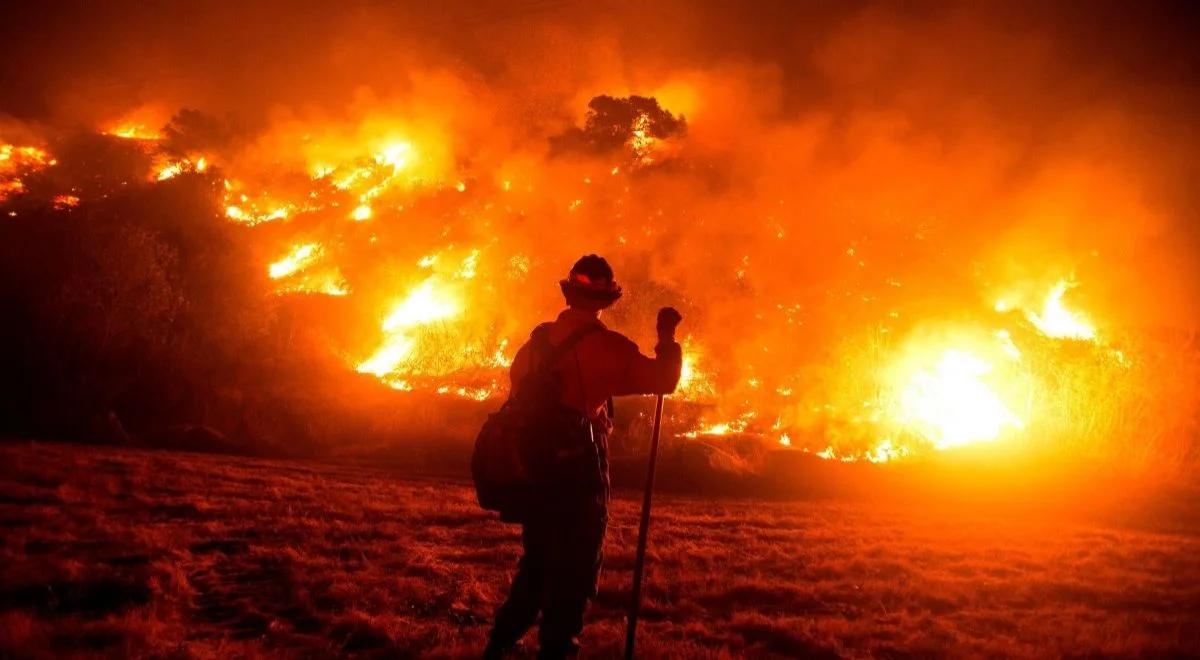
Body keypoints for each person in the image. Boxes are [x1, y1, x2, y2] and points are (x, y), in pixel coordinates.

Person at [485, 254, 683, 659]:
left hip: (534, 474)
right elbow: (664, 380)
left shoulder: (534, 345)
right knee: (574, 574)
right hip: (577, 478)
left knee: (536, 564)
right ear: (607, 299)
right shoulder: (607, 348)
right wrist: (666, 337)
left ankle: (498, 645)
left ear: (569, 293)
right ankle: (558, 649)